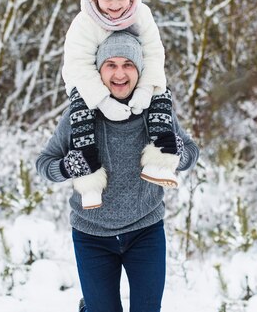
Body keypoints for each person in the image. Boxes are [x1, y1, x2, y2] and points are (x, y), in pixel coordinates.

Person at [36, 32, 199, 312]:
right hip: (91, 235)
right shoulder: (79, 113)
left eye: (128, 65)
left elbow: (191, 152)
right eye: (111, 65)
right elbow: (44, 163)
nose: (120, 73)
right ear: (99, 71)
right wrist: (68, 166)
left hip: (145, 232)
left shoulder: (156, 110)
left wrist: (174, 153)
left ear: (139, 70)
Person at [61, 0, 179, 210]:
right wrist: (102, 100)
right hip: (88, 82)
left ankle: (161, 160)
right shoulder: (84, 22)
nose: (114, 5)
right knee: (81, 116)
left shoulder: (142, 14)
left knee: (162, 95)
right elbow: (78, 64)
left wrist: (146, 89)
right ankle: (89, 179)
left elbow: (153, 53)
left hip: (132, 78)